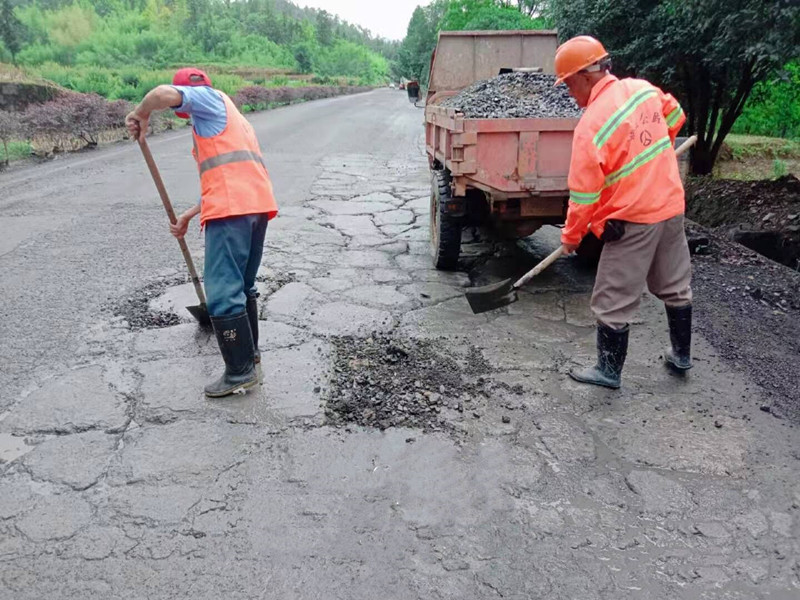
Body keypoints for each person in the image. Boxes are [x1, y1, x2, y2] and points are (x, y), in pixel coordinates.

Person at [125, 67, 278, 398]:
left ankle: (239, 372)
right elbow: (225, 174)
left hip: (231, 211)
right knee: (244, 286)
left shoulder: (206, 99)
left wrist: (141, 113)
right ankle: (250, 356)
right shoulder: (232, 117)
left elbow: (161, 94)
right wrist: (189, 215)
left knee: (222, 292)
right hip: (255, 207)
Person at [554, 36, 692, 389]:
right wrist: (656, 152)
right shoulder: (642, 89)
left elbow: (583, 197)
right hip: (671, 205)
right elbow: (676, 116)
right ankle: (681, 355)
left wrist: (571, 237)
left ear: (586, 76)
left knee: (612, 298)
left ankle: (608, 371)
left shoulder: (591, 125)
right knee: (674, 283)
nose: (569, 92)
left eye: (569, 84)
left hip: (633, 220)